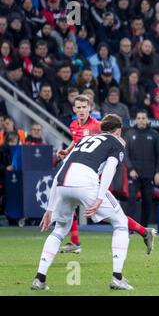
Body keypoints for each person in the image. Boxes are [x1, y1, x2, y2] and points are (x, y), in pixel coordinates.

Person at [31, 115, 135, 291]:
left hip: (63, 183)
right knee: (121, 223)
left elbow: (61, 169)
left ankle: (39, 279)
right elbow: (109, 170)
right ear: (118, 130)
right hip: (86, 183)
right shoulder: (117, 143)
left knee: (60, 229)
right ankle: (117, 277)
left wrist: (50, 208)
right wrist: (100, 197)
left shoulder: (84, 139)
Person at [56, 96, 155, 254]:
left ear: (90, 108)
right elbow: (78, 141)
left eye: (84, 107)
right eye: (78, 107)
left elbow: (114, 139)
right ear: (74, 109)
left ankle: (143, 231)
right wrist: (67, 151)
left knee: (114, 216)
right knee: (69, 204)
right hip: (80, 174)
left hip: (95, 176)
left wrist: (121, 148)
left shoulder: (97, 126)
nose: (81, 110)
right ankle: (75, 241)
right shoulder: (73, 125)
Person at [124, 110, 159, 227]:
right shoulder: (130, 134)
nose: (141, 120)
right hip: (133, 174)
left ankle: (144, 227)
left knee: (147, 201)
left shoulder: (154, 134)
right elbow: (125, 154)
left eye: (143, 118)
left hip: (149, 174)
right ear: (136, 120)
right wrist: (130, 169)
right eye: (139, 118)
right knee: (131, 200)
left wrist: (158, 172)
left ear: (147, 120)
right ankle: (129, 227)